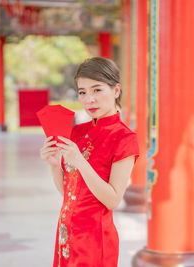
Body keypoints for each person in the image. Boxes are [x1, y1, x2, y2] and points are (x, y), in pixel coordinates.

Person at [39, 57, 139, 267]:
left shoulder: (124, 138)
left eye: (97, 90)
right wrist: (55, 164)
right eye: (82, 92)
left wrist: (80, 162)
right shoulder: (75, 133)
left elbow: (112, 200)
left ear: (116, 91)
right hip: (67, 233)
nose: (88, 99)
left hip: (95, 239)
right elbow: (69, 193)